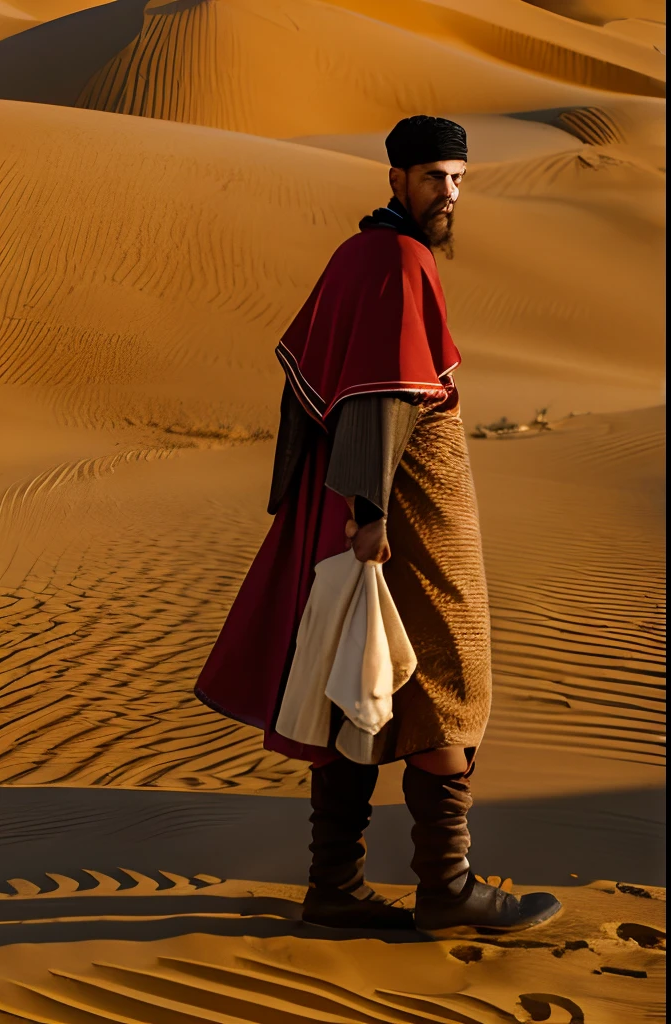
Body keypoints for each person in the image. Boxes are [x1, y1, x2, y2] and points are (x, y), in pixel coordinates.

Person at [195, 115, 562, 937]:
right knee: (444, 682)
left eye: (460, 179)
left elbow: (310, 384)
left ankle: (335, 886)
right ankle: (447, 884)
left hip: (371, 507)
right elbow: (379, 391)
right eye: (434, 176)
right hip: (407, 519)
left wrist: (325, 496)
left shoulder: (359, 255)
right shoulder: (396, 260)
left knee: (353, 688)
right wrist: (366, 513)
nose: (450, 194)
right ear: (394, 178)